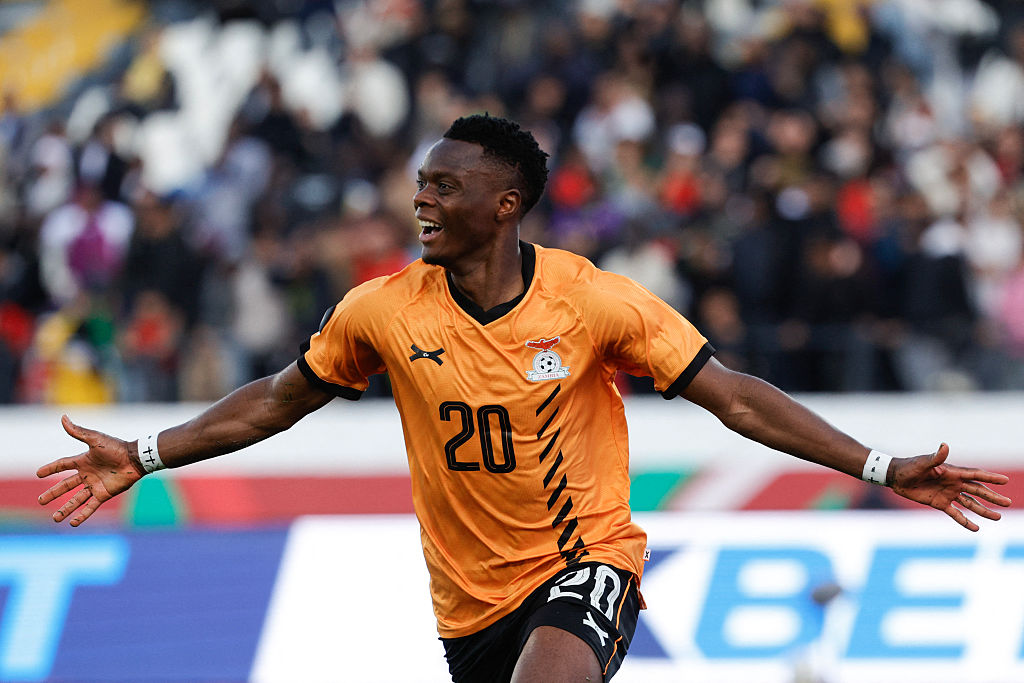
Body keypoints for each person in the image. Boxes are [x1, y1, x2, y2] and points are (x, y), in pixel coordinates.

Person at [37, 114, 1011, 683]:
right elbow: (278, 400)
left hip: (585, 559)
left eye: (446, 186)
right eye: (421, 183)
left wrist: (878, 465)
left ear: (503, 206)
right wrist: (151, 450)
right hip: (465, 602)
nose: (422, 200)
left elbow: (736, 398)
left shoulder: (590, 300)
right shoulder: (377, 310)